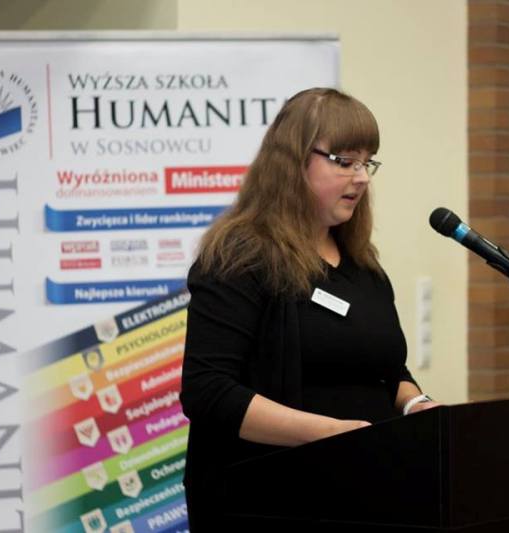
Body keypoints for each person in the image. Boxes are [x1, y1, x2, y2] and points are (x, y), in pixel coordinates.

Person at [179, 87, 440, 530]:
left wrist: (416, 404)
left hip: (365, 493)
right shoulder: (238, 258)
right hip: (266, 497)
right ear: (292, 161)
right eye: (345, 161)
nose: (362, 177)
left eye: (367, 162)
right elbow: (208, 391)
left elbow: (386, 369)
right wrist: (332, 434)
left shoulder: (363, 266)